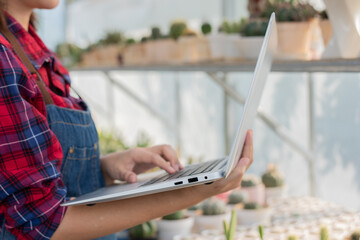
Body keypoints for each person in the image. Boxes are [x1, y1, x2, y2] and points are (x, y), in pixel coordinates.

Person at [0, 0, 254, 239]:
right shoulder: (4, 58)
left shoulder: (36, 49)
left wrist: (101, 169)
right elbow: (43, 222)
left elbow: (25, 175)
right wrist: (196, 190)